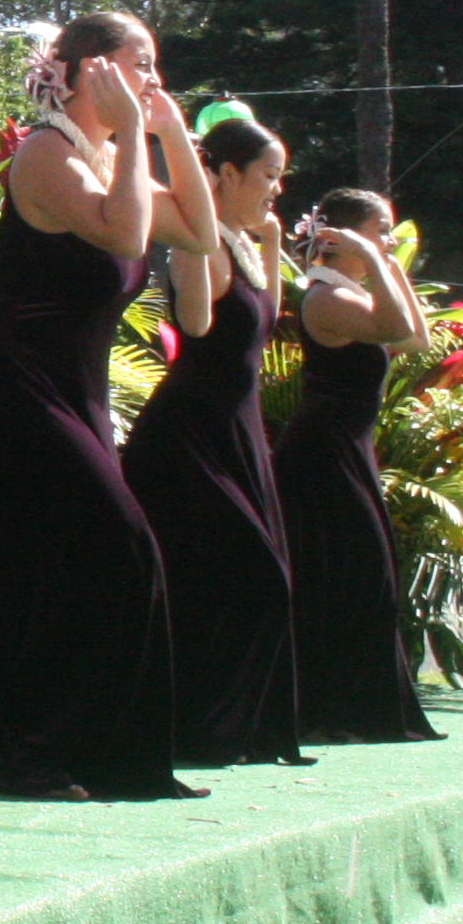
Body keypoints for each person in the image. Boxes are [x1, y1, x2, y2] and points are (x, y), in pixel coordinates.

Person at [0, 11, 218, 800]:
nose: (154, 78)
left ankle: (83, 750)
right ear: (91, 71)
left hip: (67, 387)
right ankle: (21, 749)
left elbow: (199, 231)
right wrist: (137, 143)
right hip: (7, 385)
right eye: (140, 62)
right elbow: (124, 235)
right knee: (115, 546)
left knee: (62, 566)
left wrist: (169, 134)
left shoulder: (110, 158)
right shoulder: (47, 154)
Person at [118, 115, 304, 768]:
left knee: (231, 584)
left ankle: (228, 730)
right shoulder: (199, 244)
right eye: (269, 176)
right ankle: (201, 728)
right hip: (189, 436)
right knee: (251, 576)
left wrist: (271, 242)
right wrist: (195, 241)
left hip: (236, 431)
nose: (277, 189)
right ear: (226, 174)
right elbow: (196, 323)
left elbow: (265, 321)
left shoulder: (242, 244)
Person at [275, 189, 443, 744]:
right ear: (342, 238)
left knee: (364, 575)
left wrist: (384, 262)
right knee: (351, 576)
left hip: (347, 449)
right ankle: (329, 712)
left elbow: (415, 338)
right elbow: (393, 330)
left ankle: (350, 710)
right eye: (380, 230)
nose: (390, 239)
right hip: (322, 453)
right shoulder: (326, 298)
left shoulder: (353, 293)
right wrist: (375, 259)